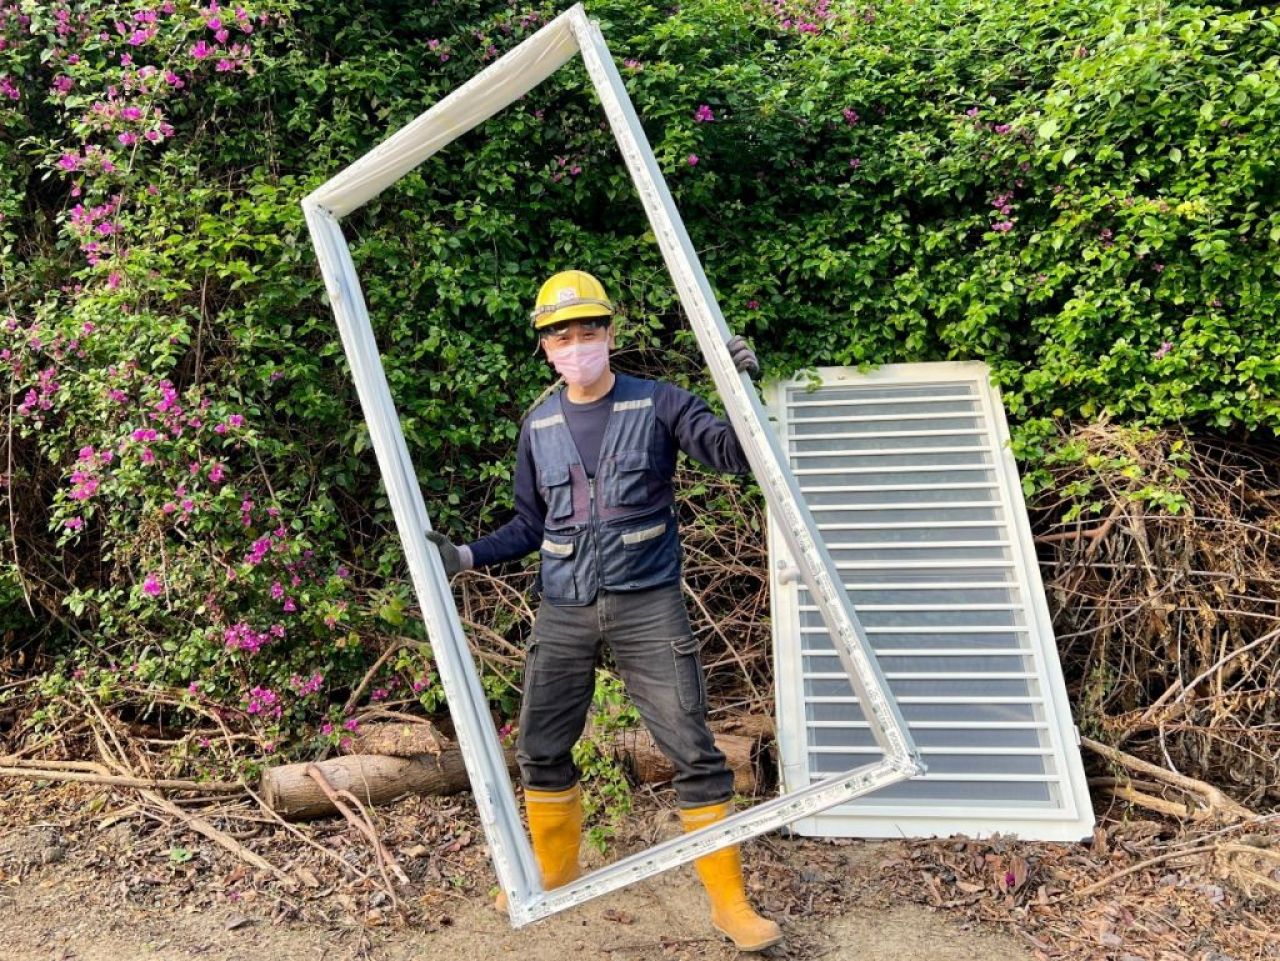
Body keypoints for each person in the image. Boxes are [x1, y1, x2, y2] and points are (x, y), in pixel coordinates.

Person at [427, 269, 781, 952]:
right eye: (562, 334)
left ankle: (730, 905)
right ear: (545, 346)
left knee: (694, 752)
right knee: (539, 747)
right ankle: (555, 871)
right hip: (564, 607)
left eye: (588, 329)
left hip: (649, 604)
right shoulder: (538, 426)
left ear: (610, 333)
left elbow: (736, 456)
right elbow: (530, 524)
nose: (577, 344)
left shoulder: (660, 403)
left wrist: (743, 391)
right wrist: (464, 555)